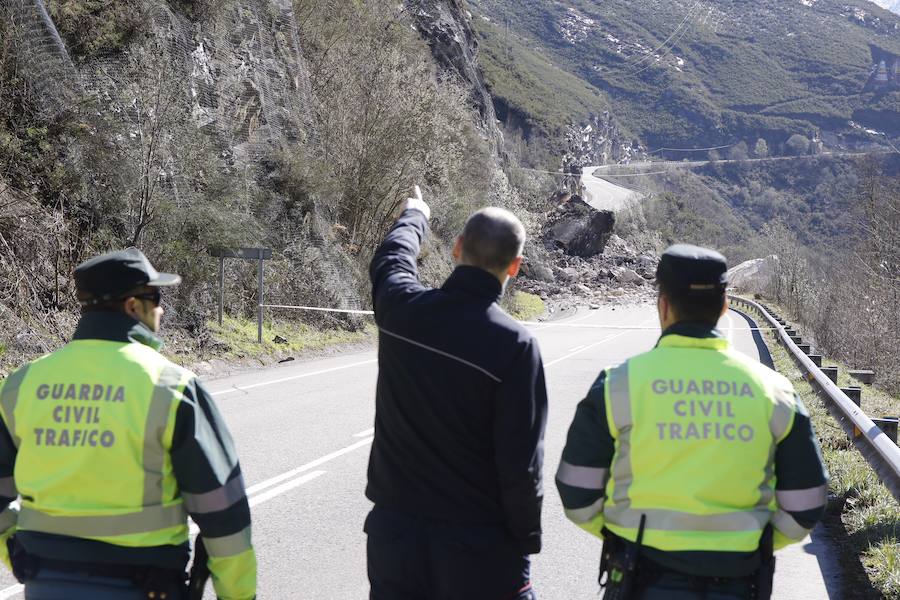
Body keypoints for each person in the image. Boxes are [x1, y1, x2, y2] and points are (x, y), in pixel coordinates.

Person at [556, 244, 828, 600]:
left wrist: (621, 536)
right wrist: (756, 541)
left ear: (663, 306)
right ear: (725, 307)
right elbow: (806, 501)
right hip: (739, 580)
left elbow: (577, 493)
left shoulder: (618, 384)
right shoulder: (775, 391)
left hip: (641, 576)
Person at [0, 248, 256, 599]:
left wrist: (17, 556)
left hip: (45, 583)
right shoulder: (172, 387)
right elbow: (223, 514)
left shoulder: (21, 383)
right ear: (133, 306)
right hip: (143, 585)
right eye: (157, 297)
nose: (162, 309)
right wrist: (239, 596)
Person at [365, 187, 548, 600]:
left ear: (456, 247)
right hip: (479, 546)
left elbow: (391, 260)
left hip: (395, 536)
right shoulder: (515, 346)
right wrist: (524, 541)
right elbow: (522, 465)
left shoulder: (403, 310)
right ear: (515, 267)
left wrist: (416, 214)